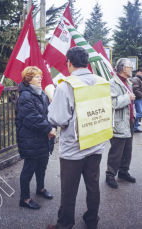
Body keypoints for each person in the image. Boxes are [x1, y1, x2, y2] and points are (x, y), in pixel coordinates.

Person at [47, 47, 107, 229]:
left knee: (69, 190)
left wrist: (52, 106)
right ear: (86, 62)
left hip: (73, 149)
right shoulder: (102, 82)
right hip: (96, 144)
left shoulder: (66, 86)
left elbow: (58, 119)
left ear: (69, 63)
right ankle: (91, 220)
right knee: (93, 186)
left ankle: (65, 224)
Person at [15, 66, 56, 209]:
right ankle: (24, 199)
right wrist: (49, 129)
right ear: (29, 79)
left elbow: (46, 114)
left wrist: (52, 125)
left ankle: (41, 189)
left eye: (40, 76)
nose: (41, 78)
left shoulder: (41, 94)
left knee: (42, 166)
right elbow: (33, 118)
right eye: (37, 76)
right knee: (29, 169)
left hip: (42, 138)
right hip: (30, 139)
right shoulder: (25, 96)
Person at [106, 58, 136, 189]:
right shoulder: (112, 83)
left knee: (127, 149)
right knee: (116, 151)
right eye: (130, 67)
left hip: (129, 121)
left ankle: (123, 172)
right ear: (123, 68)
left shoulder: (127, 82)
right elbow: (112, 103)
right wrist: (127, 97)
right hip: (118, 122)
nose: (132, 69)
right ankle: (110, 175)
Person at [132, 68, 142, 132]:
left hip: (138, 98)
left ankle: (135, 128)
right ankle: (132, 117)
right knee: (140, 113)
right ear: (138, 72)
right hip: (137, 99)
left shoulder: (138, 79)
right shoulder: (136, 79)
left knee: (139, 112)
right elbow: (135, 89)